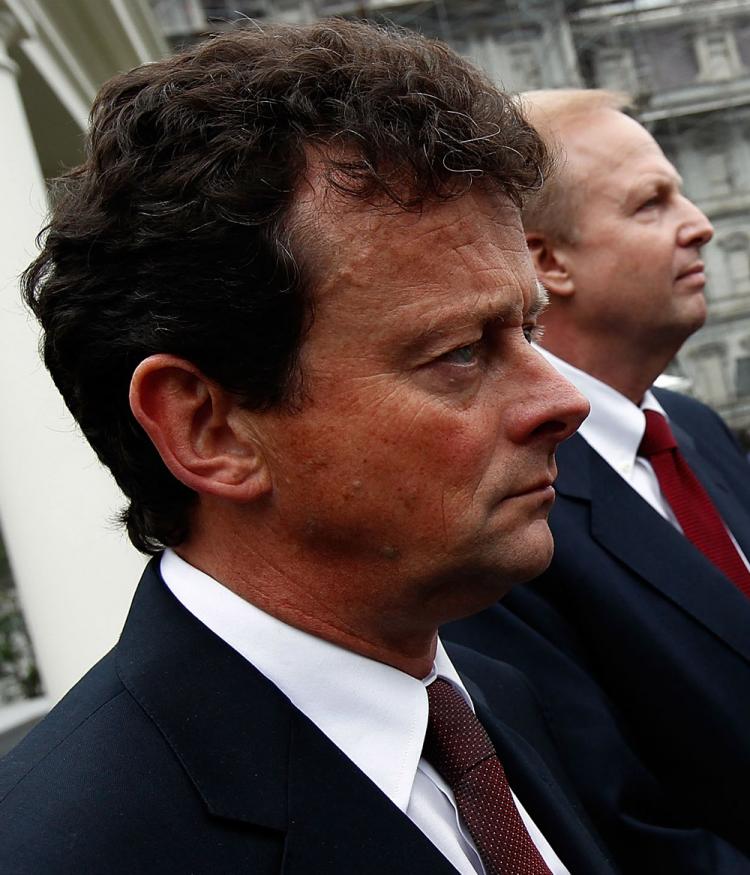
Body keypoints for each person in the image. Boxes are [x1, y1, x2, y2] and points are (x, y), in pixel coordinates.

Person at [0, 23, 621, 874]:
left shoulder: (483, 700)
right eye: (461, 352)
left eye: (528, 328)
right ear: (207, 429)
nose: (565, 400)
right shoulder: (74, 847)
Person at [445, 89, 750, 870]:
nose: (701, 223)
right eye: (652, 203)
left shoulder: (697, 432)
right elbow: (623, 822)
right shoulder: (506, 504)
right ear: (547, 261)